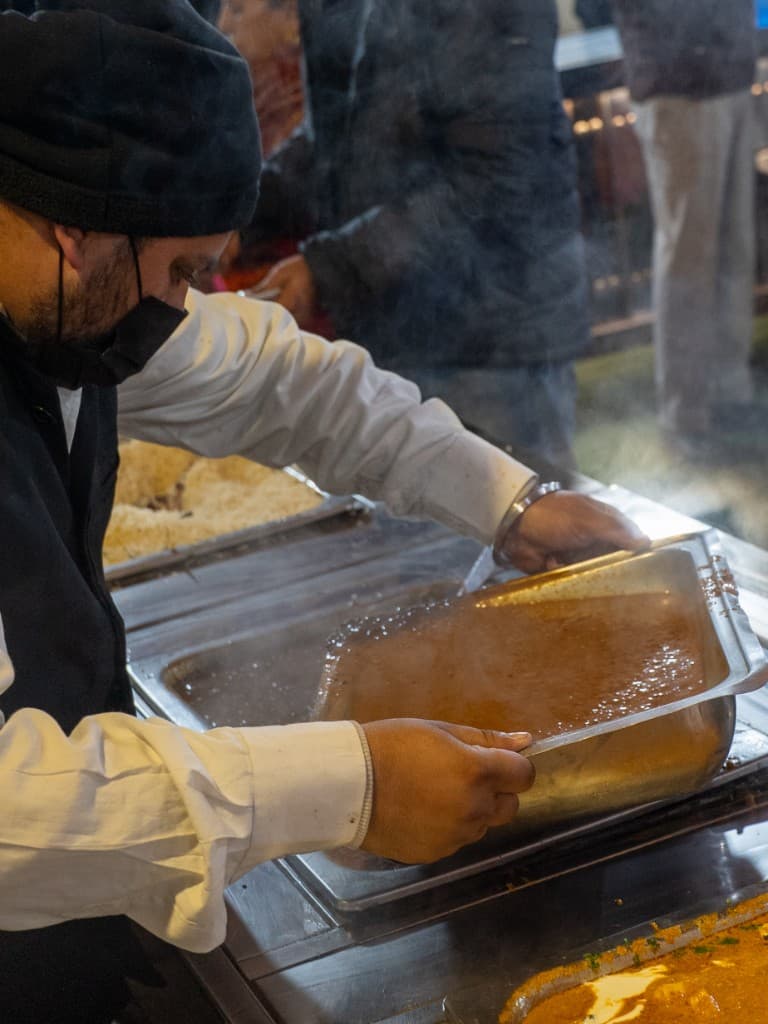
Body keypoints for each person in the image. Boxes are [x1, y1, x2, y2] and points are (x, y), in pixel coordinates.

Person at [0, 2, 648, 1020]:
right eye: (177, 272)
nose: (183, 306)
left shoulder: (57, 302)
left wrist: (508, 499)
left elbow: (280, 382)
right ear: (77, 233)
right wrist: (349, 782)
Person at [243, 0, 591, 467]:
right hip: (395, 328)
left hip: (490, 342)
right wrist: (242, 214)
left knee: (509, 519)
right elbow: (336, 138)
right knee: (413, 523)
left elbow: (493, 183)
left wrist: (329, 269)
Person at [611, 1, 758, 444]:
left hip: (729, 76)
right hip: (677, 85)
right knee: (690, 259)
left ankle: (729, 392)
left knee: (736, 250)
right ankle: (686, 411)